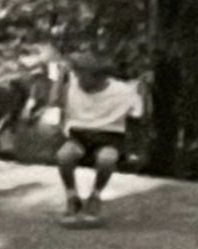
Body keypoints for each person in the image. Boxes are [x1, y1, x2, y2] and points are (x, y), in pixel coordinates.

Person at [48, 51, 145, 223]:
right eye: (76, 75)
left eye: (82, 76)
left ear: (99, 77)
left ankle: (95, 196)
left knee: (106, 159)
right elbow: (54, 101)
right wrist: (61, 76)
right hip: (79, 135)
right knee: (64, 156)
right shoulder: (73, 86)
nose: (78, 80)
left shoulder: (122, 91)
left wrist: (143, 91)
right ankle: (72, 197)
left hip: (109, 136)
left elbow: (138, 114)